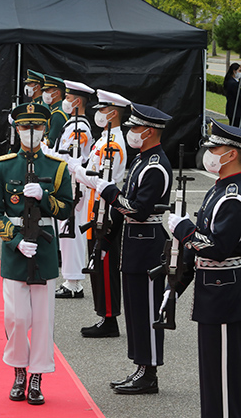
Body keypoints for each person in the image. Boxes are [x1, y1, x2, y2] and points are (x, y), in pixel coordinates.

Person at [0, 102, 73, 405]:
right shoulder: (3, 165)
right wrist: (14, 241)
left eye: (37, 126)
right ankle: (18, 370)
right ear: (17, 129)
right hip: (16, 250)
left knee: (43, 318)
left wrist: (46, 197)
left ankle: (36, 376)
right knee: (17, 317)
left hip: (45, 248)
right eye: (25, 127)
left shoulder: (57, 166)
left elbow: (66, 208)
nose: (31, 132)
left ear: (46, 129)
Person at [85, 103, 173, 394]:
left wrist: (107, 191)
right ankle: (140, 366)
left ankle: (149, 372)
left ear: (148, 132)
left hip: (148, 247)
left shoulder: (155, 165)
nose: (132, 133)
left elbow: (137, 209)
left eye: (135, 128)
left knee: (147, 310)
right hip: (135, 245)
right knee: (136, 310)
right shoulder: (141, 160)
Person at [169, 119, 241, 416]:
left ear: (232, 153)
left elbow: (218, 248)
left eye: (216, 147)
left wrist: (185, 230)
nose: (209, 153)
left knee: (223, 377)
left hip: (225, 296)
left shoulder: (234, 196)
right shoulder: (218, 189)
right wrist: (174, 289)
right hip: (212, 293)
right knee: (213, 374)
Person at [71, 89, 130, 338]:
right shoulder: (104, 139)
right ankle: (103, 315)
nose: (99, 115)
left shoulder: (112, 144)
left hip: (104, 210)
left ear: (113, 113)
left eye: (103, 111)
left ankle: (109, 318)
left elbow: (101, 180)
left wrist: (75, 169)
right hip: (95, 207)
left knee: (104, 264)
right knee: (97, 263)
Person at [45, 80, 95, 299]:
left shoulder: (78, 128)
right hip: (69, 183)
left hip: (74, 185)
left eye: (67, 98)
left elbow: (65, 158)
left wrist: (43, 150)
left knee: (71, 234)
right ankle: (70, 279)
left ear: (76, 101)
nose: (64, 101)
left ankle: (73, 282)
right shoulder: (72, 125)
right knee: (66, 233)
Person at [40, 75, 69, 148]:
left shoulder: (58, 114)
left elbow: (52, 142)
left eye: (47, 91)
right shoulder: (52, 110)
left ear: (57, 93)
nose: (44, 93)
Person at [224, 62, 241, 127]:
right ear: (234, 71)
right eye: (239, 70)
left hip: (233, 110)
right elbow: (238, 97)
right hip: (236, 111)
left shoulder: (231, 81)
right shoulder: (233, 84)